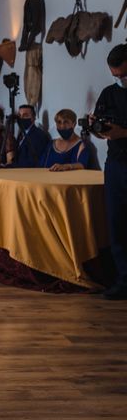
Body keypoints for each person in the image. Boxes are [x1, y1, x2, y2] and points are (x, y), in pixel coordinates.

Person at [92, 43, 127, 300]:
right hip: (115, 164)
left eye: (124, 75)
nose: (120, 80)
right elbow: (100, 122)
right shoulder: (108, 93)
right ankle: (122, 280)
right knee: (116, 224)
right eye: (115, 76)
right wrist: (98, 128)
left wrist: (123, 133)